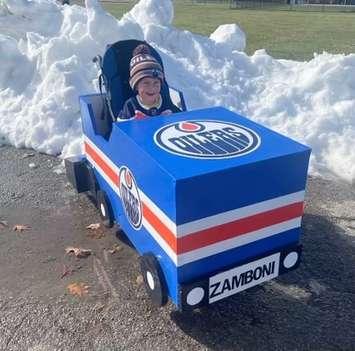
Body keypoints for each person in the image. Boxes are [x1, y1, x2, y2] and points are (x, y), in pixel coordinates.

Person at [118, 44, 181, 120]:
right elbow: (120, 124)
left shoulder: (165, 101)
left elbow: (180, 117)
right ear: (136, 86)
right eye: (146, 83)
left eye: (156, 83)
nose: (152, 88)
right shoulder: (131, 104)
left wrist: (172, 116)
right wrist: (133, 122)